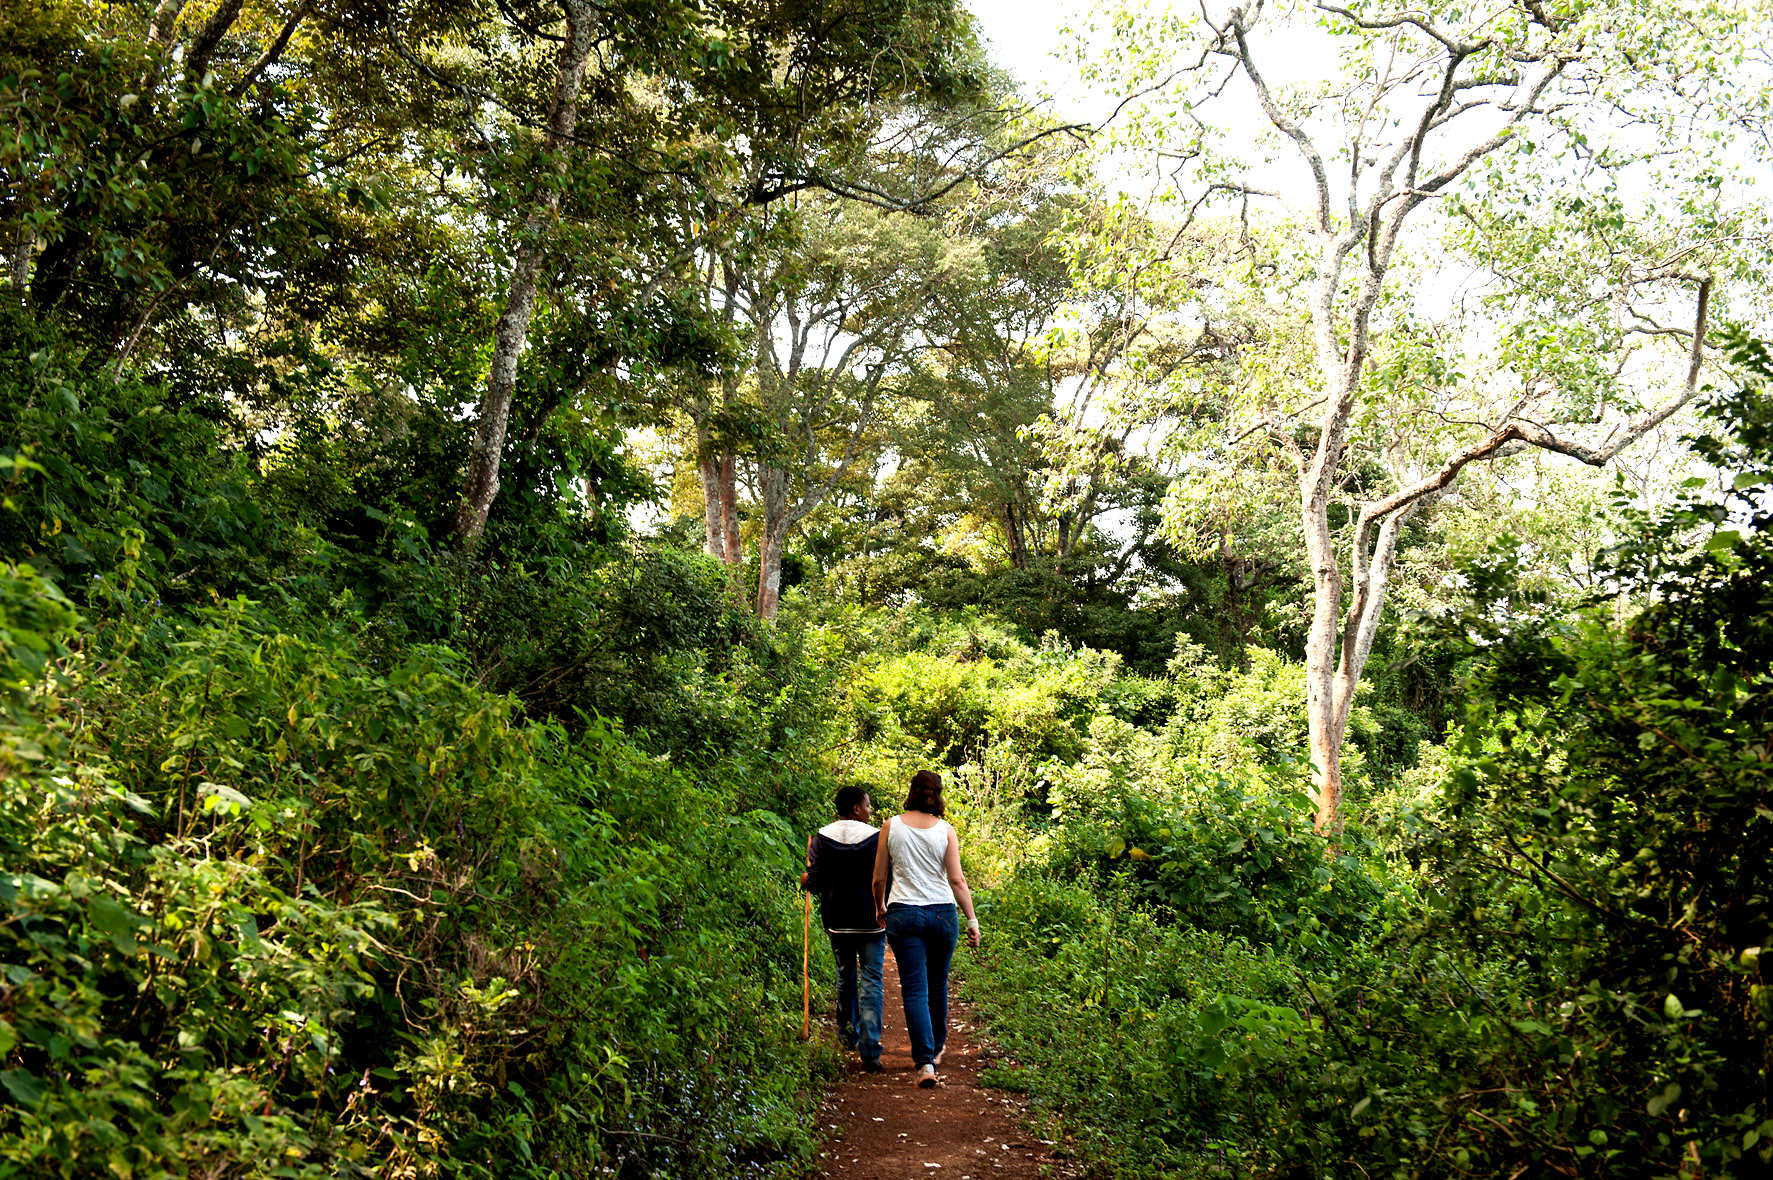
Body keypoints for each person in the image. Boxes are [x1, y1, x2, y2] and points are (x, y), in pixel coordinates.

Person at [872, 768, 980, 1088]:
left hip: (904, 913)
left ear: (911, 791)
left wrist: (880, 907)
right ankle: (937, 1047)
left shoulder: (891, 826)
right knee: (938, 984)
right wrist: (972, 920)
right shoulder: (946, 830)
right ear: (939, 794)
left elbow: (879, 877)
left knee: (915, 989)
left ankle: (925, 1064)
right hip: (942, 915)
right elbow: (957, 880)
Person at [803, 785, 886, 1071]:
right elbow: (884, 878)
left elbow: (814, 882)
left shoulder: (821, 838)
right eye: (867, 805)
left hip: (837, 922)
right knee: (872, 978)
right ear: (855, 809)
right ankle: (870, 1047)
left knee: (845, 976)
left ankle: (846, 1035)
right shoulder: (877, 837)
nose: (870, 810)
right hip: (871, 921)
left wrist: (805, 879)